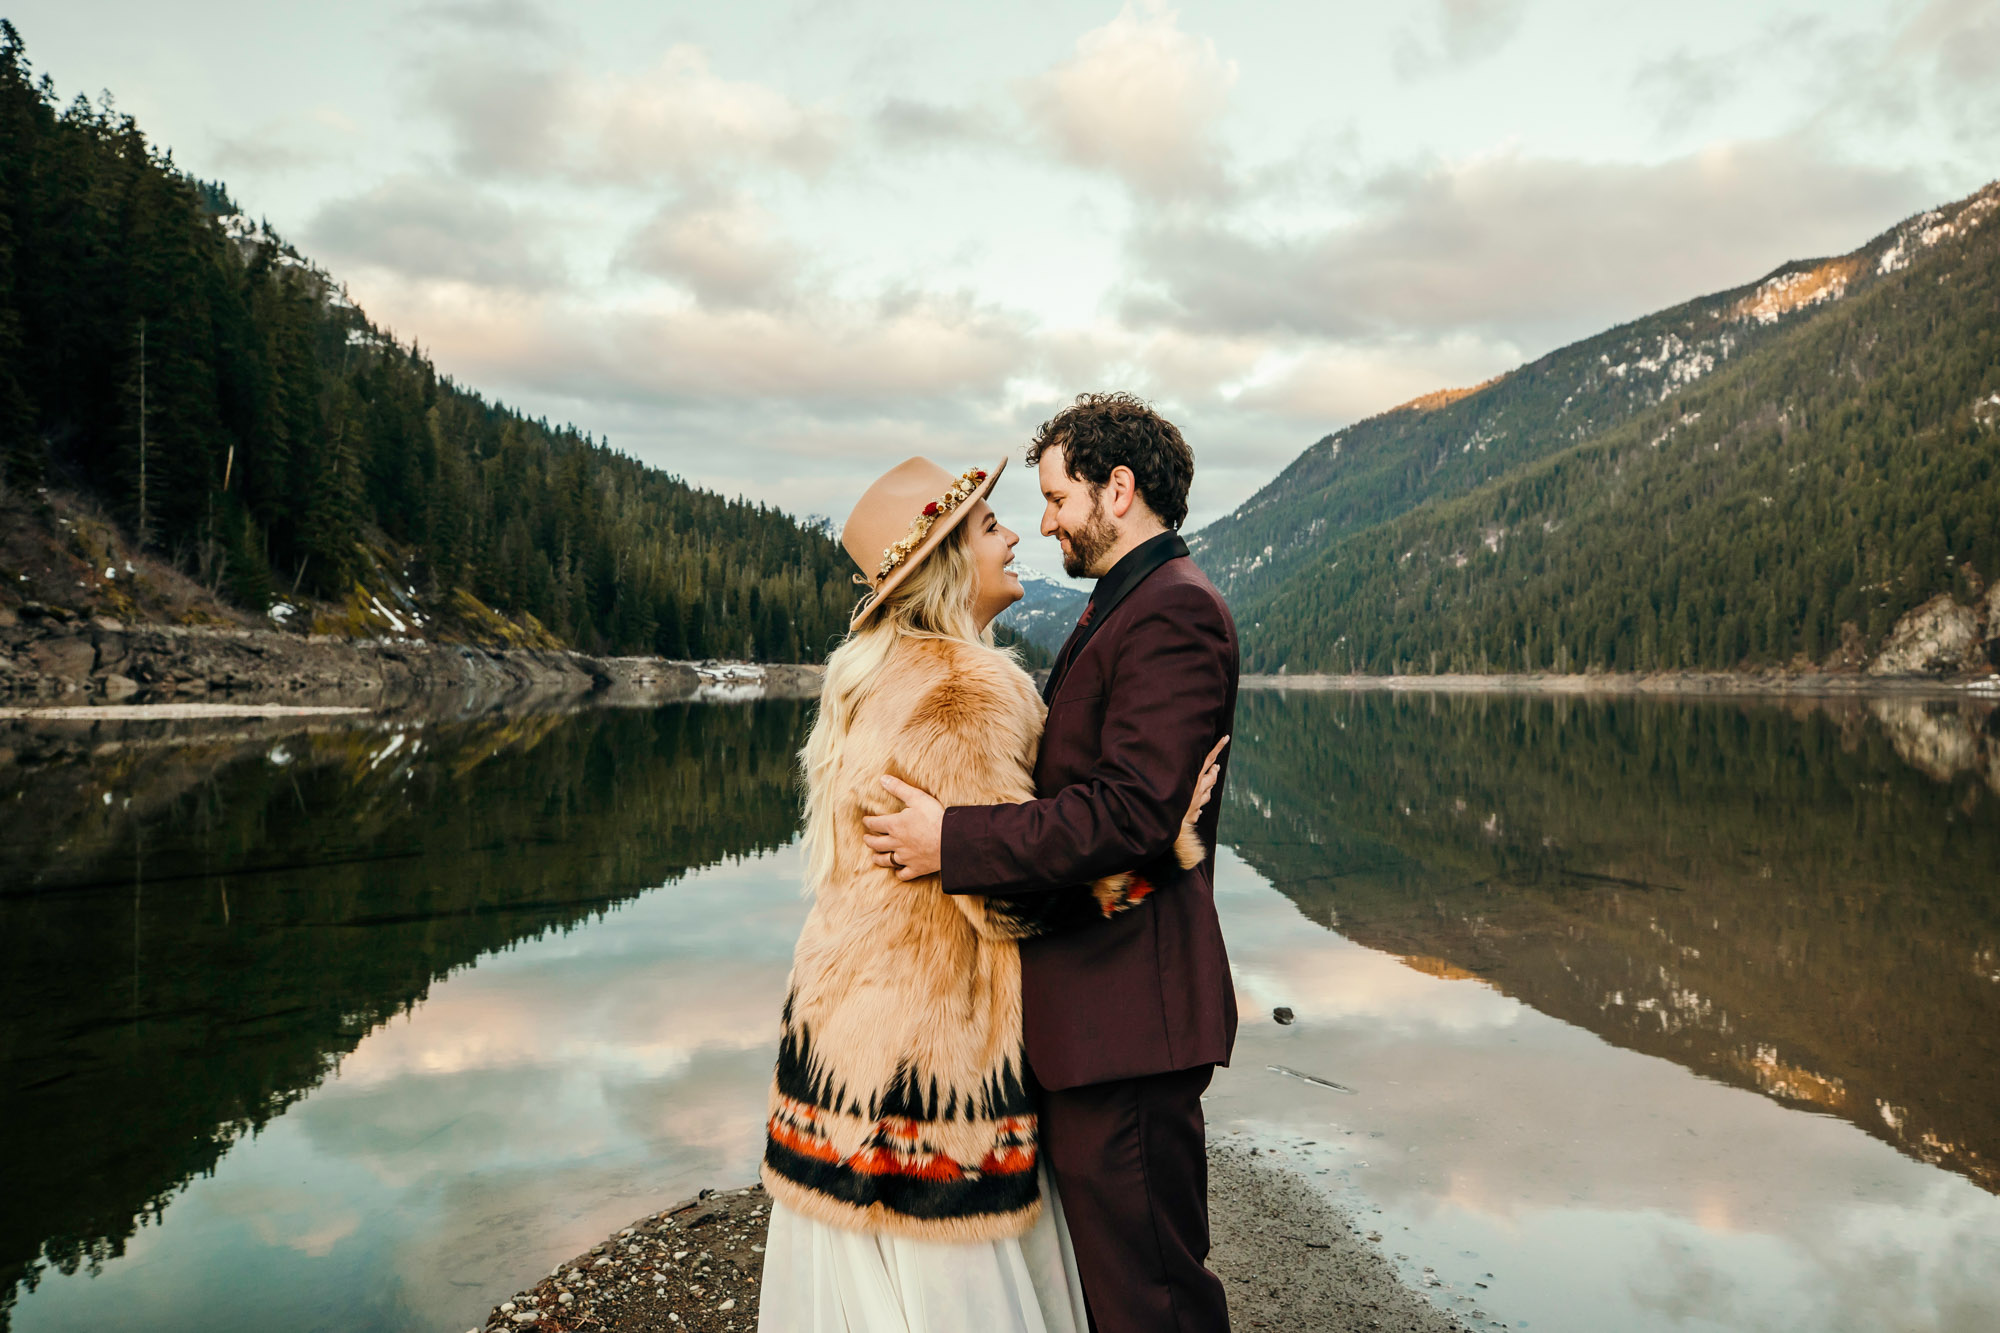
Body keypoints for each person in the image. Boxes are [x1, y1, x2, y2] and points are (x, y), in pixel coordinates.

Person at [756, 453, 1222, 1333]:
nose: (1019, 535)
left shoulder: (869, 679)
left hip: (839, 1048)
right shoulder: (968, 688)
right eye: (990, 526)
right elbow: (1015, 896)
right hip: (934, 1066)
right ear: (944, 564)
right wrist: (1168, 851)